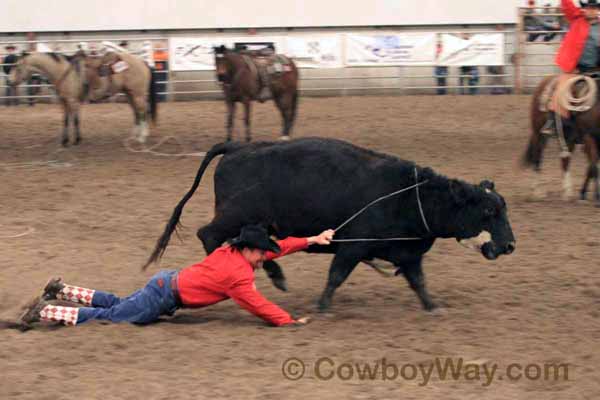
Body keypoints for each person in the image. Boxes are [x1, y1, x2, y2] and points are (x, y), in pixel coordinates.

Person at [18, 225, 335, 329]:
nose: (264, 257)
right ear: (251, 250)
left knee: (117, 304)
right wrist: (286, 321)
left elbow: (278, 249)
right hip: (165, 295)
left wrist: (313, 239)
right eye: (260, 252)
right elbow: (257, 304)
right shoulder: (237, 275)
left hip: (165, 282)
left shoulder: (233, 253)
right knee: (113, 316)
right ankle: (45, 310)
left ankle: (60, 289)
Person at [541, 0, 600, 134]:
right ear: (584, 9)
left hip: (596, 68)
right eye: (589, 7)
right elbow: (567, 5)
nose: (591, 10)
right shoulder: (576, 18)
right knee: (561, 88)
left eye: (594, 8)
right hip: (575, 68)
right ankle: (552, 121)